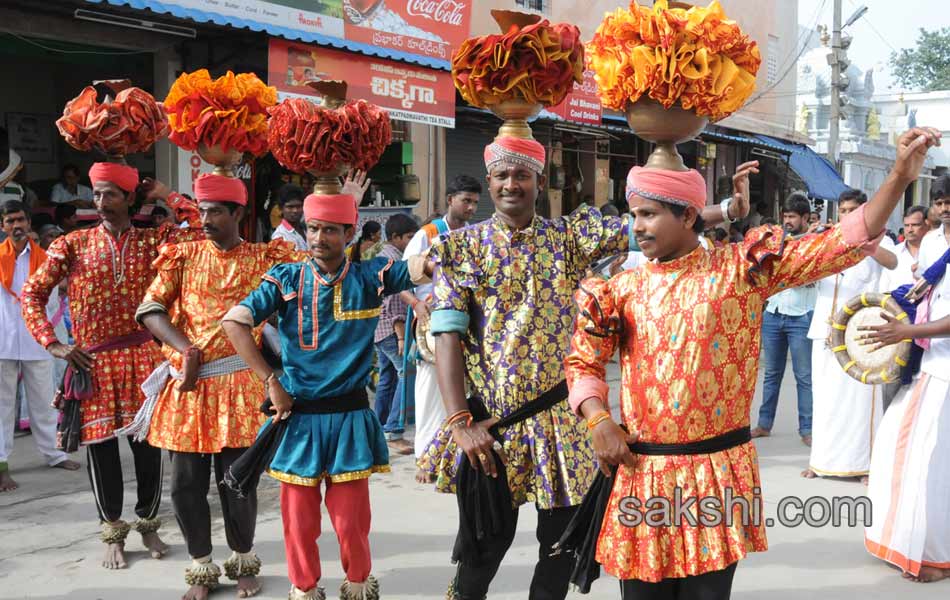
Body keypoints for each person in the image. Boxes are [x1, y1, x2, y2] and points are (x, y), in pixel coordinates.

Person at [564, 128, 939, 599]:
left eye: (648, 214)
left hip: (719, 473)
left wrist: (900, 177)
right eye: (635, 214)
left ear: (687, 215)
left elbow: (843, 240)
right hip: (644, 476)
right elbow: (583, 363)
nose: (637, 227)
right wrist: (598, 420)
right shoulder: (619, 287)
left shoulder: (742, 268)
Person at [420, 134, 748, 600]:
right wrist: (459, 423)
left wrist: (727, 211)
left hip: (561, 425)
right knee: (480, 553)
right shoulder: (461, 250)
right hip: (492, 426)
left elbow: (653, 222)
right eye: (501, 176)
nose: (511, 184)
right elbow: (446, 335)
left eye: (521, 175)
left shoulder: (569, 237)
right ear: (489, 182)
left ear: (538, 180)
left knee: (558, 553)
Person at [221, 191, 431, 600]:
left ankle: (357, 587)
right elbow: (234, 322)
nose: (318, 238)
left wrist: (454, 250)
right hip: (298, 419)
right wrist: (270, 380)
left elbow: (424, 267)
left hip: (350, 417)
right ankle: (305, 589)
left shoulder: (371, 276)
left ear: (349, 233)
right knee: (299, 523)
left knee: (351, 522)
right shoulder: (285, 278)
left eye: (330, 230)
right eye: (313, 228)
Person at [21, 162, 200, 570]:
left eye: (110, 194)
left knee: (149, 449)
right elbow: (32, 293)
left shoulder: (154, 241)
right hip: (93, 362)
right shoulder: (73, 244)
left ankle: (149, 523)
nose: (100, 203)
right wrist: (54, 344)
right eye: (97, 194)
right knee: (100, 452)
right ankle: (113, 531)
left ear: (130, 198)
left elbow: (198, 228)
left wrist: (166, 194)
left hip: (143, 359)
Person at [135, 174, 303, 599]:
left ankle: (243, 559)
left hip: (243, 384)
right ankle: (200, 567)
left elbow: (315, 273)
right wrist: (184, 348)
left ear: (238, 214)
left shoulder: (266, 259)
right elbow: (150, 309)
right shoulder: (183, 255)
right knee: (184, 485)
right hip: (190, 385)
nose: (205, 219)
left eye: (214, 211)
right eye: (202, 210)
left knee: (238, 481)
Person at [860, 264, 950, 582]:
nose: (943, 209)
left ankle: (937, 557)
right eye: (940, 207)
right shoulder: (939, 252)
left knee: (928, 466)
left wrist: (905, 332)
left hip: (943, 375)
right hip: (929, 366)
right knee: (898, 453)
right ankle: (909, 545)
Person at [803, 188, 899, 482]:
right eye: (843, 211)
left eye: (852, 211)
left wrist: (867, 246)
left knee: (860, 403)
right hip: (824, 330)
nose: (846, 216)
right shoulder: (828, 240)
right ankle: (820, 462)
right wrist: (812, 240)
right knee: (825, 400)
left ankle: (865, 465)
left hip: (860, 332)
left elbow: (894, 263)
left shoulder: (882, 239)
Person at [402, 174, 481, 483]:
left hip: (467, 323)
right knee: (429, 392)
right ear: (450, 200)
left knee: (463, 391)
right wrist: (416, 305)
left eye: (475, 202)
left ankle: (456, 456)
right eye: (466, 201)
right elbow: (400, 276)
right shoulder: (428, 234)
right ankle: (426, 459)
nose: (471, 207)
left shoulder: (476, 233)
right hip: (433, 322)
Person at [0, 200, 80, 492]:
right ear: (2, 226)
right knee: (2, 406)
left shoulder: (47, 259)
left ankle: (53, 453)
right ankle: (1, 464)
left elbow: (58, 298)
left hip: (37, 340)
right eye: (10, 221)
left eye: (20, 219)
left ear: (29, 223)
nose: (16, 225)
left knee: (45, 400)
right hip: (3, 340)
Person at [752, 193, 817, 446]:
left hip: (801, 314)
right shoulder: (776, 242)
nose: (788, 221)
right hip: (774, 313)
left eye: (792, 217)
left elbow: (813, 277)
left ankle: (807, 429)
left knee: (803, 376)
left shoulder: (813, 244)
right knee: (771, 374)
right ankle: (764, 424)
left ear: (805, 218)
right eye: (785, 216)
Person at [373, 213, 419, 455]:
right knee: (405, 374)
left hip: (380, 330)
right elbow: (393, 305)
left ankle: (379, 427)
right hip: (391, 330)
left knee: (387, 378)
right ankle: (394, 430)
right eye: (409, 237)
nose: (412, 241)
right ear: (395, 237)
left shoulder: (388, 257)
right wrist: (401, 336)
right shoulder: (391, 262)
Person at [877, 205, 931, 410]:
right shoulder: (894, 255)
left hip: (929, 330)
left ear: (926, 225)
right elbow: (884, 293)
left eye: (915, 225)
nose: (910, 230)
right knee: (892, 387)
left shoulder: (936, 251)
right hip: (897, 330)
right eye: (906, 225)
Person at [271, 183, 308, 251]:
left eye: (298, 206)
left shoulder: (306, 228)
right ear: (281, 208)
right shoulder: (280, 237)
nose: (295, 210)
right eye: (290, 207)